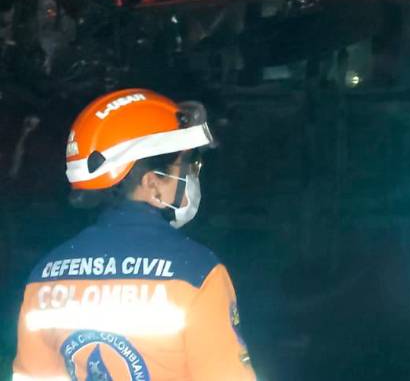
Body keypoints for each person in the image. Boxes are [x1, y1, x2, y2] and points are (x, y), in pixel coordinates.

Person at [13, 88, 257, 380]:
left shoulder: (45, 275)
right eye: (188, 165)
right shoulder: (199, 272)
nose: (192, 175)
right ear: (152, 183)